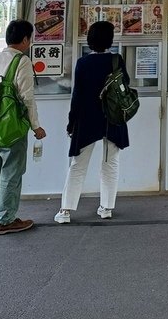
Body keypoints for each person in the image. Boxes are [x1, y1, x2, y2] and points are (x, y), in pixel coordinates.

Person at [0, 19, 46, 235]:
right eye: (30, 39)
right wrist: (36, 127)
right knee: (11, 172)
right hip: (12, 129)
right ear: (25, 39)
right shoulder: (22, 62)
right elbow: (27, 98)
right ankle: (5, 220)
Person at [54, 21, 130, 223]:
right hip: (112, 119)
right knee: (110, 163)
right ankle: (106, 207)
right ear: (110, 40)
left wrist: (72, 122)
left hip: (87, 119)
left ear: (90, 40)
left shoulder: (83, 63)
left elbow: (77, 96)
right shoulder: (116, 60)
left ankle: (66, 211)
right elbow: (126, 86)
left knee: (78, 165)